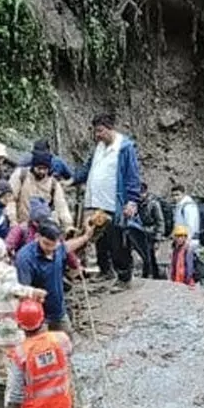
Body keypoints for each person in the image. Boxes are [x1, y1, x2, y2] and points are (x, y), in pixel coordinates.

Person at [72, 113, 142, 289]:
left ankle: (124, 277)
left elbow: (132, 175)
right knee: (100, 240)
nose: (97, 135)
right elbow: (88, 168)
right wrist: (73, 179)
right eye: (95, 131)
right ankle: (105, 270)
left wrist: (132, 200)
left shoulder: (124, 148)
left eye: (100, 131)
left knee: (117, 241)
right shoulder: (99, 147)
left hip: (114, 203)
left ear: (110, 128)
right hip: (98, 202)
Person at [0, 238, 46, 388]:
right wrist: (33, 292)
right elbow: (13, 289)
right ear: (4, 252)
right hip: (9, 326)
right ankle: (20, 388)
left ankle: (0, 389)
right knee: (17, 361)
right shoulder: (8, 271)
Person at [15, 222, 92, 333]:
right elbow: (23, 290)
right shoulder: (25, 258)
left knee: (66, 340)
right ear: (37, 237)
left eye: (54, 245)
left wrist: (85, 237)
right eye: (46, 244)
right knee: (42, 343)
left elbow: (68, 246)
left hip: (58, 310)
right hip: (38, 315)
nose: (50, 249)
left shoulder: (59, 247)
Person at [10, 152, 73, 230]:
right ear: (33, 166)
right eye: (39, 168)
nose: (42, 171)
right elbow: (10, 199)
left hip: (41, 228)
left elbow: (61, 205)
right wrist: (12, 220)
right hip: (19, 225)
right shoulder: (21, 175)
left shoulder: (53, 184)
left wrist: (68, 224)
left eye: (45, 169)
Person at [133, 182, 165, 279]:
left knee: (150, 256)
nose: (140, 196)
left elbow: (160, 221)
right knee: (146, 256)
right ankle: (147, 275)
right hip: (140, 232)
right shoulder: (137, 204)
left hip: (151, 233)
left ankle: (152, 275)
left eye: (141, 193)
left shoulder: (154, 204)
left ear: (145, 192)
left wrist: (158, 238)